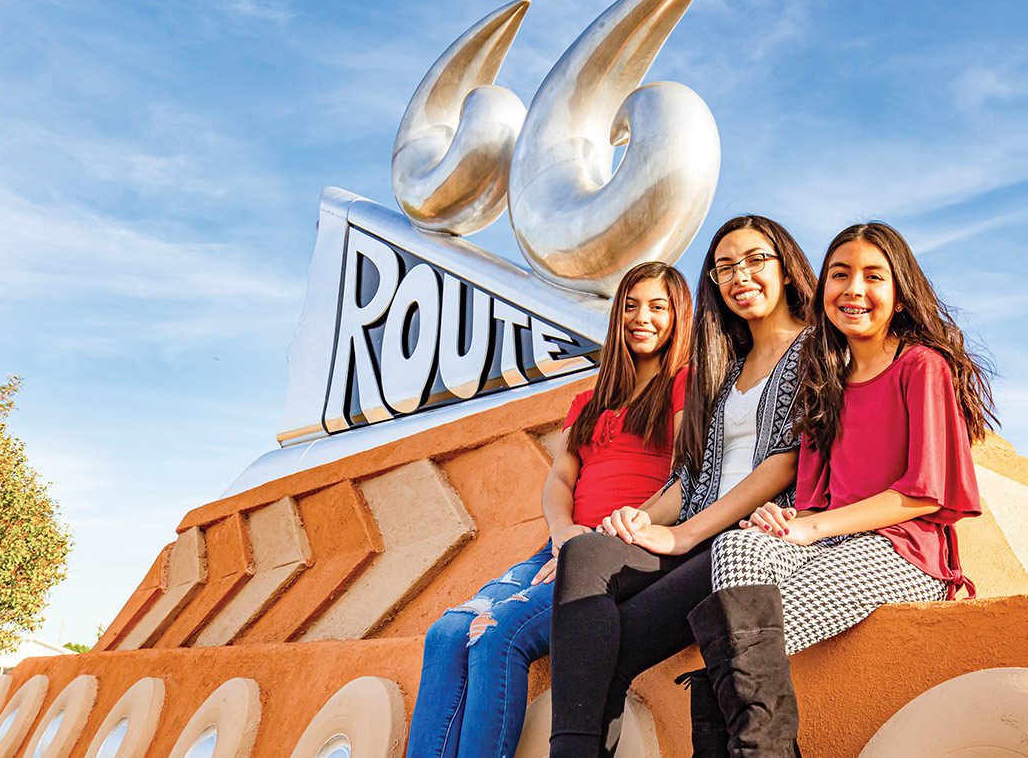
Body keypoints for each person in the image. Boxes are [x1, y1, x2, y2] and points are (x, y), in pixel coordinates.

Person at [690, 221, 997, 755]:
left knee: (729, 661)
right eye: (840, 275)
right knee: (738, 549)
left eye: (873, 276)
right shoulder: (824, 377)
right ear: (823, 288)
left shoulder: (921, 367)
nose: (854, 290)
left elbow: (924, 494)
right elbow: (810, 497)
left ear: (899, 296)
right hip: (832, 546)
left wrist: (809, 527)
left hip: (905, 553)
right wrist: (787, 522)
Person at [549, 215, 818, 757]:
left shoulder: (814, 350)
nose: (740, 275)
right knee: (586, 555)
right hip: (694, 535)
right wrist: (642, 520)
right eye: (725, 268)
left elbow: (785, 464)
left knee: (613, 647)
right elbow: (689, 477)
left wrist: (684, 534)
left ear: (786, 268)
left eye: (754, 260)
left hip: (749, 541)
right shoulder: (723, 368)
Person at [406, 262, 693, 758]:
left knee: (498, 638)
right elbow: (560, 479)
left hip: (623, 550)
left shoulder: (686, 384)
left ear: (678, 316)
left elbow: (687, 478)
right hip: (562, 543)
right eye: (630, 305)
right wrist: (564, 534)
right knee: (447, 632)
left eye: (657, 306)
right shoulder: (588, 400)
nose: (641, 317)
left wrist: (595, 547)